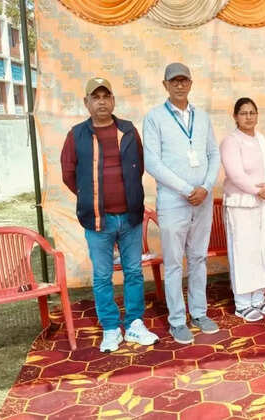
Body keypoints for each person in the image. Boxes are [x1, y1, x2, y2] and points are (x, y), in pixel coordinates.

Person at [61, 77, 158, 352]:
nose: (101, 101)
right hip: (97, 220)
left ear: (113, 100)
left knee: (134, 272)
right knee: (103, 276)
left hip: (130, 217)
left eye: (106, 96)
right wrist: (91, 198)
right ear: (86, 102)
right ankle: (111, 328)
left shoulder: (128, 130)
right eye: (96, 97)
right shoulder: (76, 135)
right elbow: (69, 174)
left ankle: (135, 324)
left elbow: (138, 167)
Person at [143, 63, 221, 344]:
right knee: (174, 262)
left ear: (190, 83)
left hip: (202, 199)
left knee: (198, 257)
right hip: (174, 201)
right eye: (174, 81)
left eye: (184, 80)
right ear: (165, 85)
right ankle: (177, 320)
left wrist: (206, 187)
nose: (179, 85)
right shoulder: (154, 118)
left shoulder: (202, 117)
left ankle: (199, 313)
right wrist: (188, 189)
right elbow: (152, 162)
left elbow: (213, 153)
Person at [220, 98, 265, 321]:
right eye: (243, 113)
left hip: (264, 206)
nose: (248, 117)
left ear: (257, 115)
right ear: (235, 117)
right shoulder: (231, 141)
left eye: (252, 112)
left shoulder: (263, 140)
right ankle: (242, 304)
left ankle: (259, 299)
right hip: (241, 206)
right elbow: (236, 175)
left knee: (264, 249)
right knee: (244, 253)